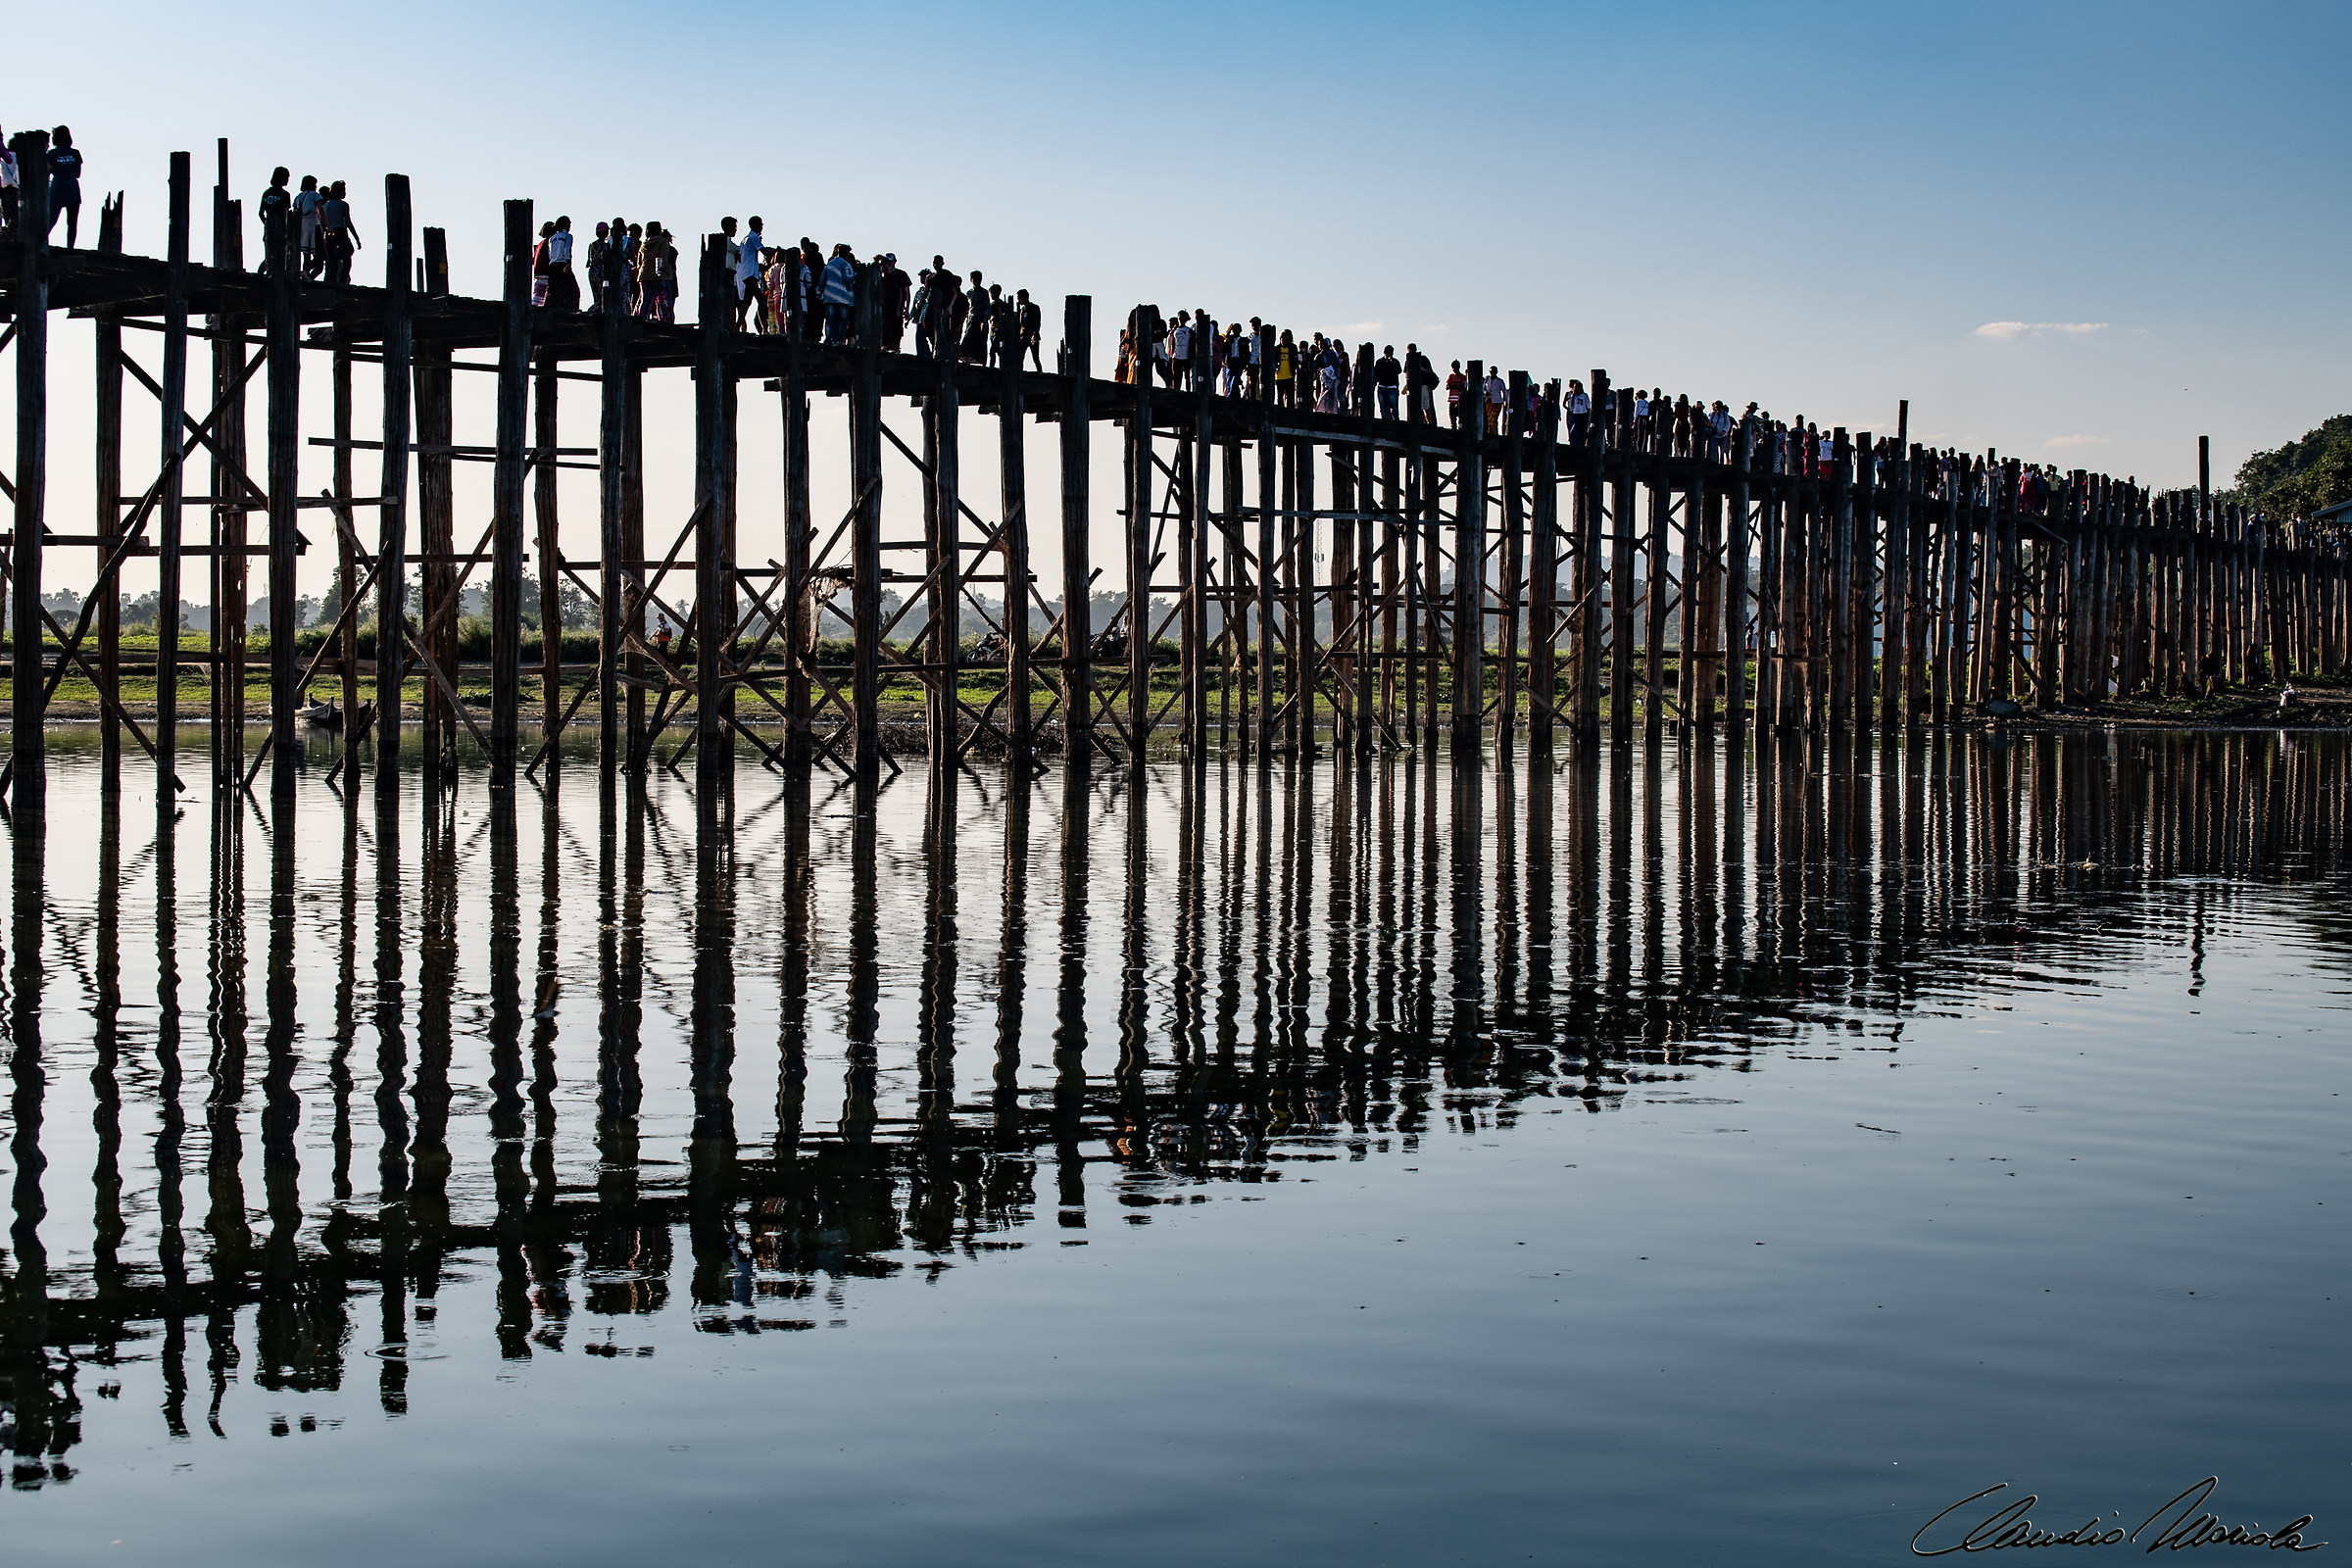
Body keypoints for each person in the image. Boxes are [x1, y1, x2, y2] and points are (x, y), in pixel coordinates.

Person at [46, 125, 82, 247]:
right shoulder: (75, 153)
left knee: (50, 220)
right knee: (72, 223)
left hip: (57, 187)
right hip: (72, 188)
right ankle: (70, 247)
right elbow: (78, 174)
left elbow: (47, 171)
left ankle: (43, 243)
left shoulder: (51, 154)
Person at [319, 179, 360, 284]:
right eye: (344, 191)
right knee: (347, 259)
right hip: (341, 232)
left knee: (332, 261)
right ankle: (342, 281)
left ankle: (331, 282)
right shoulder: (343, 205)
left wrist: (322, 237)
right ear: (340, 192)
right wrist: (356, 238)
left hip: (329, 233)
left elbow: (322, 223)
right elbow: (348, 222)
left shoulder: (325, 206)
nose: (345, 193)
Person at [732, 217, 766, 329]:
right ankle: (764, 329)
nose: (762, 226)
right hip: (751, 275)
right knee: (761, 300)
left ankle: (737, 327)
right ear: (756, 225)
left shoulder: (745, 239)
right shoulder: (753, 237)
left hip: (745, 274)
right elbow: (764, 251)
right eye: (761, 224)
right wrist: (777, 251)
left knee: (747, 302)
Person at [258, 167, 292, 275]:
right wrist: (286, 229)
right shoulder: (285, 194)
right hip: (281, 229)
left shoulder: (266, 193)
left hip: (268, 229)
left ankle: (261, 274)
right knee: (281, 254)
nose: (288, 179)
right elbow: (286, 213)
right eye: (287, 177)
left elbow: (260, 213)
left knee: (268, 254)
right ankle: (277, 275)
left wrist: (267, 224)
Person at [822, 243, 858, 344]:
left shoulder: (830, 263)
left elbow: (823, 279)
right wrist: (855, 275)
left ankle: (829, 339)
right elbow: (847, 278)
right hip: (842, 297)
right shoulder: (844, 264)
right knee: (843, 318)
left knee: (830, 319)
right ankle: (839, 339)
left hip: (829, 296)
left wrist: (819, 291)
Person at [876, 253, 910, 351]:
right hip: (885, 307)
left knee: (896, 329)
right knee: (885, 328)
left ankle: (895, 347)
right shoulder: (881, 277)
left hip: (896, 306)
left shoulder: (900, 275)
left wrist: (906, 309)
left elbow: (905, 292)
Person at [545, 217, 578, 311]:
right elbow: (567, 250)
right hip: (562, 264)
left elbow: (550, 254)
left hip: (552, 265)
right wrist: (568, 263)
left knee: (553, 289)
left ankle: (553, 307)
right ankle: (569, 309)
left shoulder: (552, 238)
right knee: (573, 290)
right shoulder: (567, 236)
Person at [292, 174, 322, 277]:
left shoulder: (298, 197)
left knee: (306, 253)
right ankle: (306, 272)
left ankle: (305, 272)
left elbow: (294, 213)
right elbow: (320, 210)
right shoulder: (314, 195)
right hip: (313, 224)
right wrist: (327, 226)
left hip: (301, 225)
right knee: (318, 254)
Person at [586, 221, 613, 313]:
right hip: (601, 272)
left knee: (596, 295)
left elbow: (588, 262)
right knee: (603, 295)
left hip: (591, 272)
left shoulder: (592, 245)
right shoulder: (607, 246)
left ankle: (596, 310)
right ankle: (594, 310)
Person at [531, 219, 556, 307]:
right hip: (545, 272)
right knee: (543, 295)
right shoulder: (549, 243)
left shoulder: (539, 245)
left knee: (538, 294)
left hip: (538, 272)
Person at [1373, 344, 1401, 420]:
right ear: (1385, 352)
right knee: (1383, 406)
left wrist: (1392, 363)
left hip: (1392, 387)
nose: (1390, 354)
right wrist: (1374, 384)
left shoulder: (1395, 361)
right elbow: (1376, 374)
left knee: (1394, 406)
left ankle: (1396, 419)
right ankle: (1385, 420)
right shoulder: (1379, 362)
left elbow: (1399, 371)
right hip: (1381, 386)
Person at [1016, 288, 1042, 371]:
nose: (1019, 301)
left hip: (1032, 335)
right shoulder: (1021, 310)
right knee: (1020, 357)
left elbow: (1037, 322)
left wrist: (1035, 334)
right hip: (1023, 336)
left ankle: (1039, 373)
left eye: (1020, 298)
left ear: (1025, 298)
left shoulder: (1035, 308)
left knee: (1035, 357)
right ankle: (1019, 372)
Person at [1272, 329, 1297, 407]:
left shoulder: (1293, 348)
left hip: (1289, 375)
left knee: (1290, 396)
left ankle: (1291, 410)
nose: (1285, 342)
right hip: (1279, 376)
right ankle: (1280, 410)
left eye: (1287, 340)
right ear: (1280, 339)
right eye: (1283, 340)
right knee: (1279, 396)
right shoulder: (1276, 349)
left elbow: (1296, 359)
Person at [1565, 378, 1591, 446]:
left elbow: (1588, 405)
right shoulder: (1573, 396)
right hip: (1575, 414)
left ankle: (1582, 442)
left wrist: (1588, 412)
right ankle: (1573, 441)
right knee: (1574, 429)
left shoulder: (1584, 395)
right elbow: (1571, 405)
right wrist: (1570, 410)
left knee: (1583, 428)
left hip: (1583, 414)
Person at [1483, 367, 1507, 433]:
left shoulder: (1500, 381)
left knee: (1494, 418)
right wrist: (1485, 393)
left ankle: (1494, 433)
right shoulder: (1487, 380)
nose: (1492, 373)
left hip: (1497, 402)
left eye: (1493, 372)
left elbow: (1504, 391)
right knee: (1488, 418)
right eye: (1491, 372)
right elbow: (1483, 389)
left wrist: (1506, 401)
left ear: (1496, 372)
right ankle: (1489, 432)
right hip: (1488, 401)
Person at [1446, 360, 1466, 427]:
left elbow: (1463, 387)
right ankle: (1453, 427)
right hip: (1451, 400)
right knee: (1452, 415)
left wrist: (1454, 386)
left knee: (1460, 414)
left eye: (1456, 367)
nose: (1454, 369)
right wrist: (1455, 386)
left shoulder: (1462, 377)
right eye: (1453, 367)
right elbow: (1447, 386)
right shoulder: (1451, 376)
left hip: (1459, 400)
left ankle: (1460, 427)